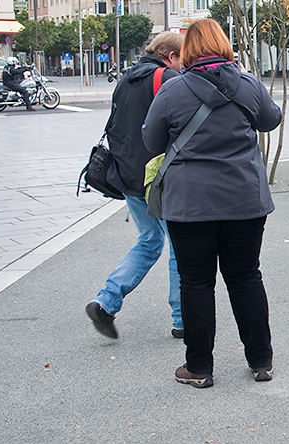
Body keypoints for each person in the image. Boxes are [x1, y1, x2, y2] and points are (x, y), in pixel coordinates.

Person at [142, 18, 282, 388]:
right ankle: (261, 361)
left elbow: (152, 140)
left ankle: (199, 368)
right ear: (223, 45)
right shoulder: (248, 83)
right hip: (244, 201)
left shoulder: (173, 90)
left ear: (187, 50)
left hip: (190, 205)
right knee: (246, 277)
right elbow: (270, 120)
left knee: (196, 283)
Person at [85, 31, 186, 340]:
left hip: (127, 177)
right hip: (157, 178)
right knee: (180, 246)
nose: (185, 65)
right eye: (183, 59)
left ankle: (106, 302)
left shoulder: (126, 78)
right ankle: (183, 319)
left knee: (150, 240)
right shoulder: (166, 77)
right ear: (170, 56)